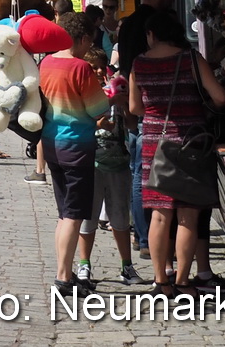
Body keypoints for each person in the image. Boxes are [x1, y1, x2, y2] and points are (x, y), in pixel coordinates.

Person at [128, 9, 225, 296]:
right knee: (188, 215)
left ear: (151, 34)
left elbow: (135, 109)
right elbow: (220, 97)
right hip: (191, 143)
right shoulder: (191, 58)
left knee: (159, 216)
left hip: (154, 144)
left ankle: (161, 281)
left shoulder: (139, 63)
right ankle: (184, 281)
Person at [40, 13, 110, 294]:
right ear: (80, 39)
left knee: (63, 214)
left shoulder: (46, 62)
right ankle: (63, 278)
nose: (87, 49)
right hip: (77, 146)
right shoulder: (80, 68)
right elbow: (97, 109)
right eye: (87, 42)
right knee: (73, 215)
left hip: (52, 143)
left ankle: (65, 272)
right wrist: (111, 98)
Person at [116, 0, 176, 257]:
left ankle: (143, 237)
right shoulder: (157, 24)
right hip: (157, 110)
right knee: (153, 174)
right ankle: (155, 237)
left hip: (136, 106)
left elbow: (126, 68)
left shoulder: (127, 24)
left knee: (138, 173)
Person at [76, 47, 141, 287]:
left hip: (119, 162)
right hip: (91, 162)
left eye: (100, 67)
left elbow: (133, 125)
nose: (96, 71)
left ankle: (127, 266)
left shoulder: (115, 90)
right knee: (88, 218)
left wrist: (125, 105)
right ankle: (84, 264)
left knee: (120, 217)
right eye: (91, 68)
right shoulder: (82, 95)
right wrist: (97, 123)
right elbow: (79, 125)